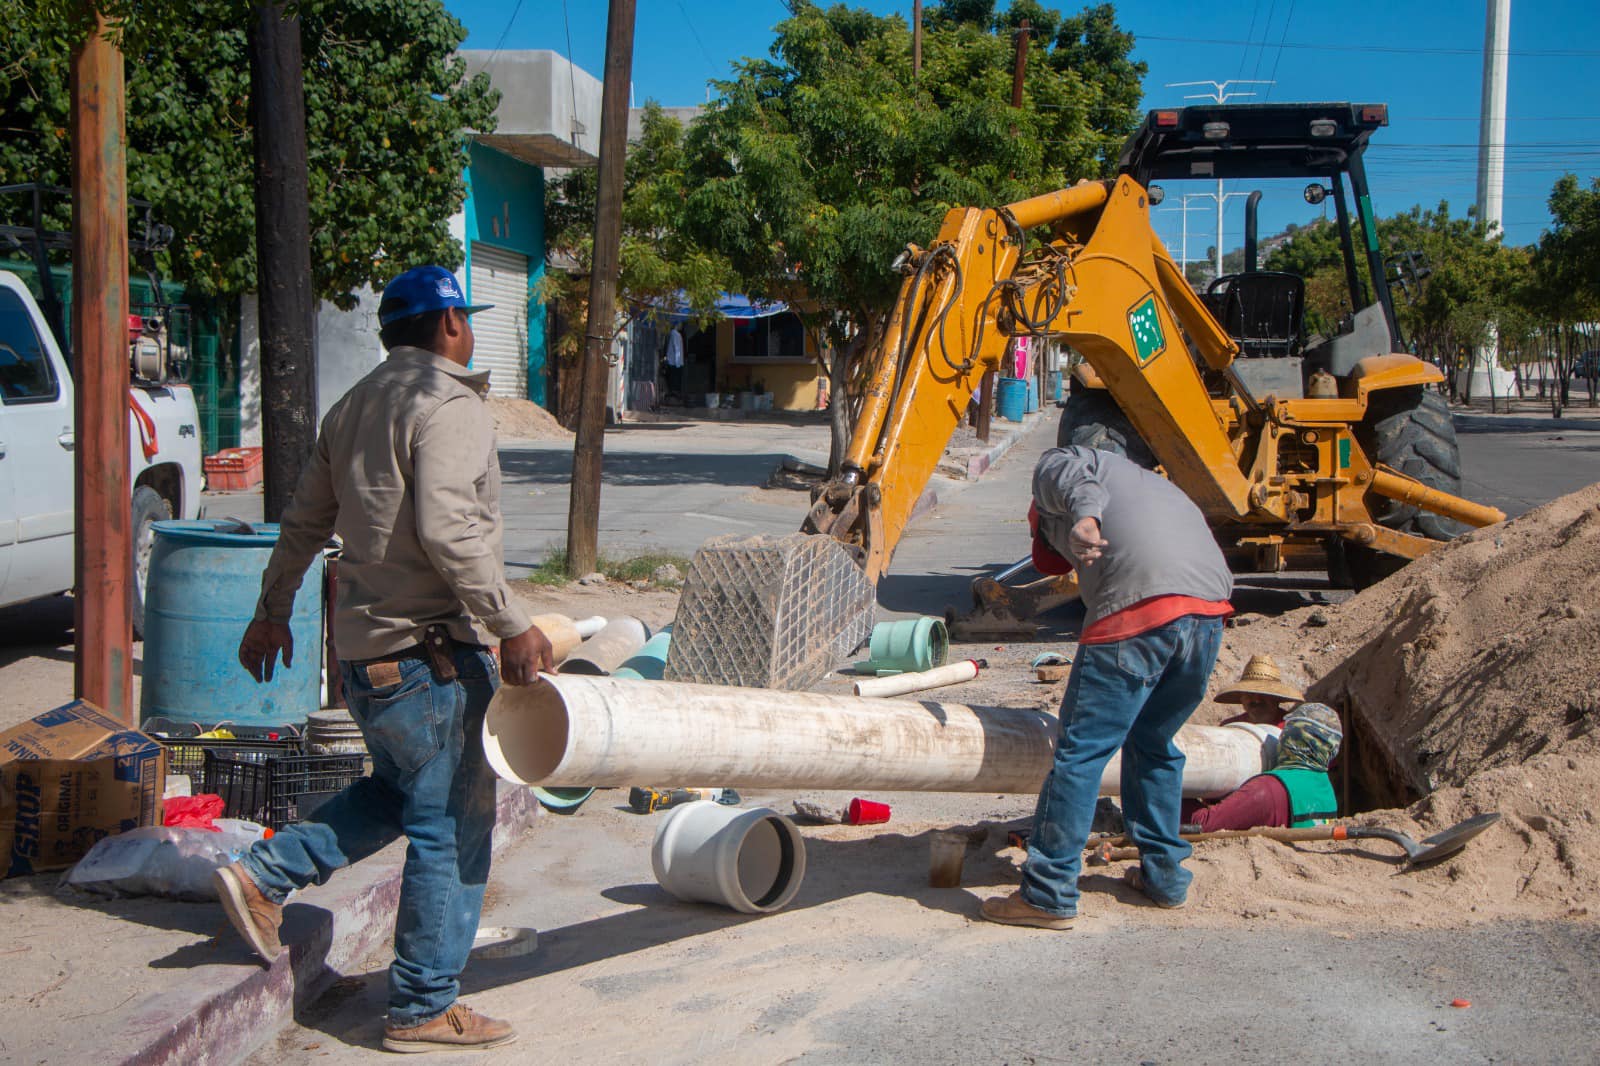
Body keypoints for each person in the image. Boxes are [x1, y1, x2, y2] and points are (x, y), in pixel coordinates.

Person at [214, 265, 556, 1053]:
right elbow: (448, 527)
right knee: (451, 825)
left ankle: (263, 876)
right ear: (447, 327)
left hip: (365, 659)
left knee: (400, 796)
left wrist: (272, 614)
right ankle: (424, 1005)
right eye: (464, 318)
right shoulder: (449, 404)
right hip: (430, 657)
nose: (468, 330)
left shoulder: (356, 405)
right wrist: (511, 623)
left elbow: (300, 522)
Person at [981, 446, 1233, 930]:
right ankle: (1164, 879)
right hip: (1206, 617)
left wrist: (1084, 520)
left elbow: (1076, 481)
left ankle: (1048, 892)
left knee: (1080, 754)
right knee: (1154, 743)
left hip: (1139, 610)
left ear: (1045, 516)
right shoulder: (1154, 485)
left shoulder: (1057, 469)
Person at [1186, 704, 1343, 831]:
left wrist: (1168, 783)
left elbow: (1203, 824)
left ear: (1289, 737)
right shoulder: (1324, 788)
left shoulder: (1268, 789)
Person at [1215, 654, 1305, 727]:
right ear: (1241, 698)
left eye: (1265, 694)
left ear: (1277, 698)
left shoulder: (1293, 728)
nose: (1257, 700)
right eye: (1250, 694)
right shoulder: (1230, 727)